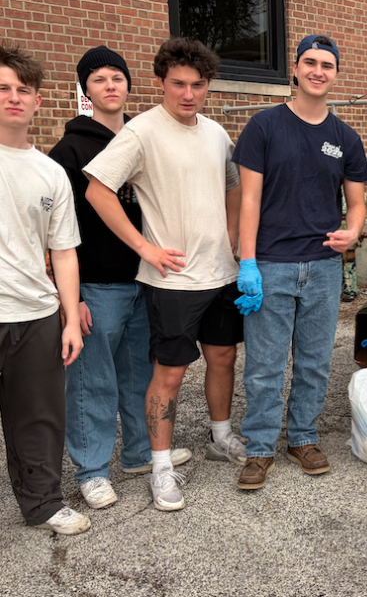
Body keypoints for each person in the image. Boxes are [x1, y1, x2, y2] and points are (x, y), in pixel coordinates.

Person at [84, 37, 246, 512]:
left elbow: (233, 185)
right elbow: (97, 190)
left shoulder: (216, 133)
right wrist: (144, 248)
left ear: (208, 85)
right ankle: (159, 468)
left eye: (198, 85)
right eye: (178, 84)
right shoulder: (141, 132)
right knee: (169, 375)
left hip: (222, 274)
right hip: (173, 282)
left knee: (223, 359)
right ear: (160, 82)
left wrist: (233, 235)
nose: (188, 93)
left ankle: (220, 436)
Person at [49, 46, 192, 510]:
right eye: (98, 79)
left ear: (130, 84)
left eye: (117, 77)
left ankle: (137, 453)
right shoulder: (69, 150)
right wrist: (70, 300)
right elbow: (49, 234)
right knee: (92, 382)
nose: (111, 86)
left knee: (138, 376)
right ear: (85, 90)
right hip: (95, 285)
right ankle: (91, 470)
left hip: (144, 282)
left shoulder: (142, 136)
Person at [232, 34, 367, 489]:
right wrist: (247, 262)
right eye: (309, 62)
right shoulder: (264, 127)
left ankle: (304, 438)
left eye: (327, 65)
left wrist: (353, 231)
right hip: (271, 263)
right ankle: (259, 447)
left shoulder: (345, 138)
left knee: (313, 362)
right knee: (265, 364)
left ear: (335, 74)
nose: (317, 71)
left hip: (324, 267)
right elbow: (248, 200)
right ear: (294, 69)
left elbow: (356, 203)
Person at [0, 43, 89, 534]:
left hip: (34, 314)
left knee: (38, 418)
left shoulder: (51, 172)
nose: (13, 98)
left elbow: (64, 252)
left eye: (23, 90)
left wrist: (70, 317)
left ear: (37, 101)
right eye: (3, 89)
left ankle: (43, 504)